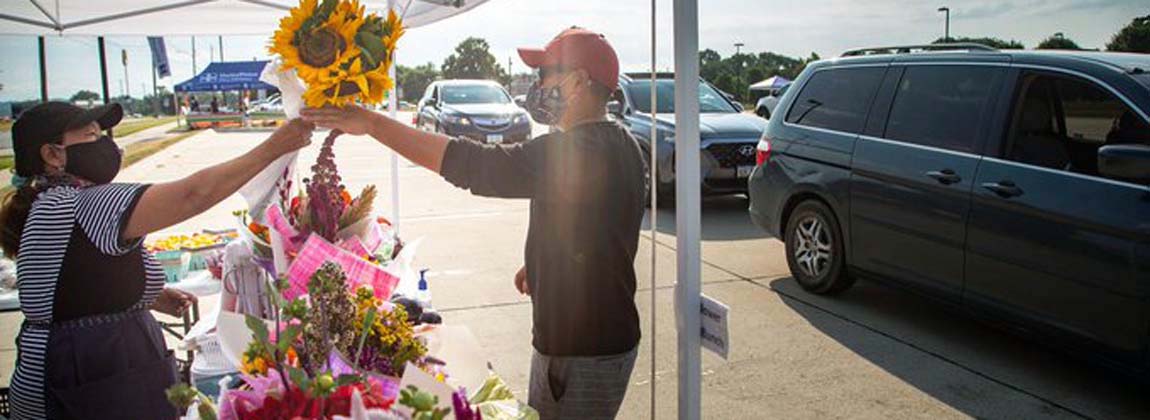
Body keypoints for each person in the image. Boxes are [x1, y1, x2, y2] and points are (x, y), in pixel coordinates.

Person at [303, 27, 644, 419]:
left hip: (583, 350)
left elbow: (477, 166)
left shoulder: (579, 151)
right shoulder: (615, 142)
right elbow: (600, 227)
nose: (539, 85)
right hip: (590, 337)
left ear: (579, 81)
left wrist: (376, 125)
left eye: (545, 74)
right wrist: (541, 263)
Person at [2, 102, 313, 419]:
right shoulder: (85, 204)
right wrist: (275, 146)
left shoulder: (49, 202)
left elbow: (75, 284)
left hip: (75, 370)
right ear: (53, 155)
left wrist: (146, 297)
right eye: (91, 136)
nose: (107, 145)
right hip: (90, 376)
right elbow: (192, 194)